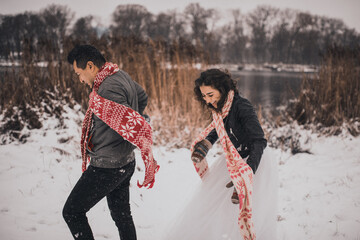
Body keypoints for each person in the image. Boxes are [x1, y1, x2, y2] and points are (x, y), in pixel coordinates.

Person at [163, 69, 278, 240]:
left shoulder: (241, 106)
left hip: (253, 161)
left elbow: (259, 141)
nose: (207, 100)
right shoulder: (221, 107)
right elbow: (219, 128)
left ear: (222, 89)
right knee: (215, 203)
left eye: (210, 94)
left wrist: (245, 175)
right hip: (233, 158)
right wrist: (206, 144)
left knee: (249, 210)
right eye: (203, 96)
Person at [62, 45, 159, 240]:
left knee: (72, 212)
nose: (80, 79)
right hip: (125, 162)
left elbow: (127, 119)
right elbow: (141, 96)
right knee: (122, 216)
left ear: (90, 66)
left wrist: (130, 126)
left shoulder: (107, 87)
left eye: (79, 73)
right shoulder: (119, 74)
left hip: (107, 167)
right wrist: (132, 122)